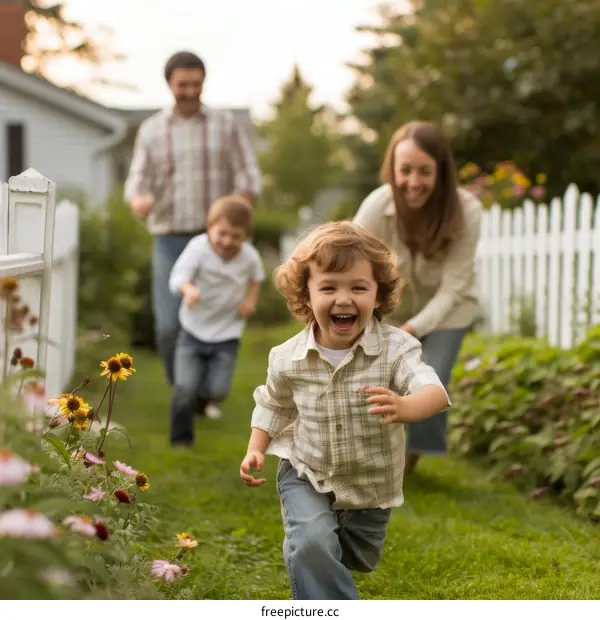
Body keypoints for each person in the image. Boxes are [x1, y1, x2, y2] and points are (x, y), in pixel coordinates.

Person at [239, 221, 449, 600]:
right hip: (306, 469)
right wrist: (257, 447)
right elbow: (273, 402)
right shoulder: (287, 358)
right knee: (312, 544)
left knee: (354, 557)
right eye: (329, 287)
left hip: (370, 483)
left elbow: (432, 390)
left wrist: (405, 405)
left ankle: (311, 554)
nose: (343, 299)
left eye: (358, 287)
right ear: (306, 294)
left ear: (379, 295)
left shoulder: (396, 349)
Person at [123, 50, 262, 389]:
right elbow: (135, 183)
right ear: (169, 84)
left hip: (217, 241)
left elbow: (249, 176)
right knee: (169, 325)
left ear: (204, 82)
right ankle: (182, 389)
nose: (189, 91)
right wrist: (138, 200)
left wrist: (242, 205)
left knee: (215, 320)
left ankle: (205, 391)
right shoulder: (152, 130)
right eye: (182, 85)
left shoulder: (225, 124)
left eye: (196, 84)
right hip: (169, 238)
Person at [352, 120, 483, 476]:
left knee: (431, 378)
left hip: (450, 309)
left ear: (441, 171)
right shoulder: (377, 207)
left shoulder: (467, 210)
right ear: (392, 171)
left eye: (424, 171)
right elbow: (352, 260)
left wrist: (414, 328)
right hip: (394, 308)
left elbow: (454, 286)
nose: (413, 182)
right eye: (405, 170)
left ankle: (411, 459)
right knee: (373, 375)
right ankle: (370, 452)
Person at [168, 195, 264, 446]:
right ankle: (181, 440)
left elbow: (256, 278)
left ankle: (204, 400)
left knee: (218, 390)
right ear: (209, 227)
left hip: (227, 332)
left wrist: (251, 300)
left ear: (246, 236)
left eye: (236, 236)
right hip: (192, 330)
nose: (227, 241)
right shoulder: (197, 248)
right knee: (184, 388)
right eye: (221, 233)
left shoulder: (249, 257)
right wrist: (188, 290)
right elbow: (177, 278)